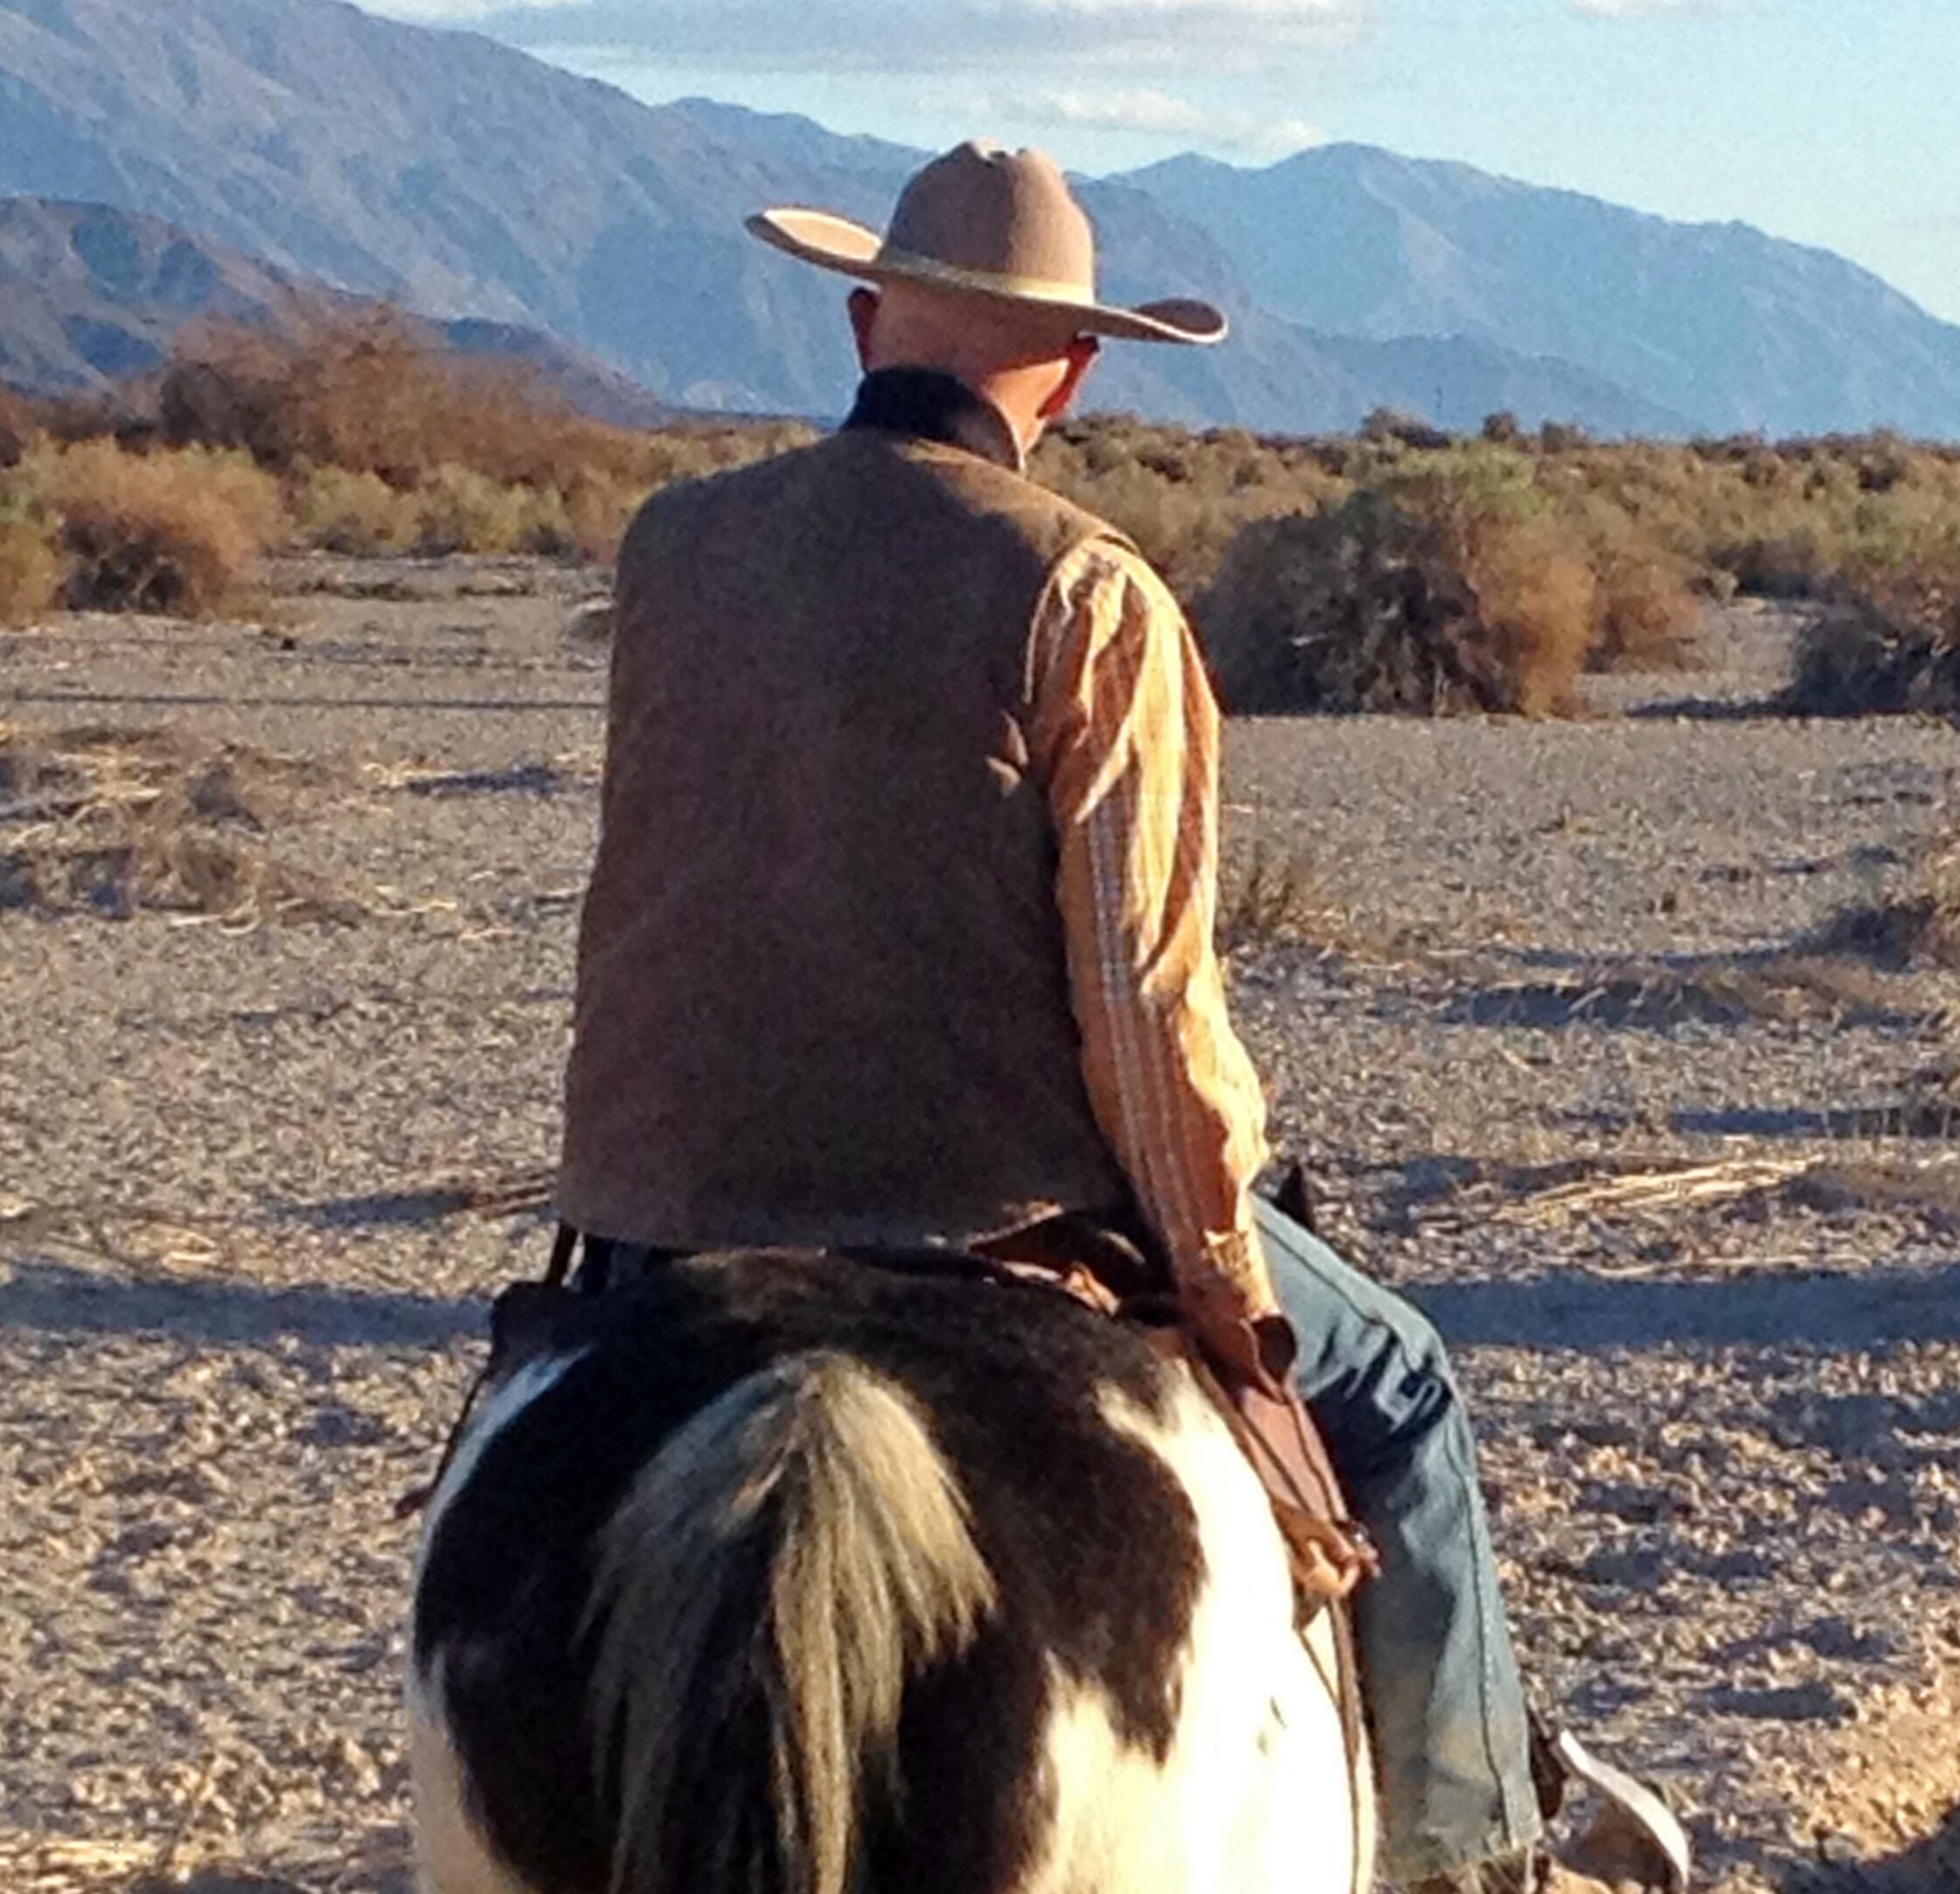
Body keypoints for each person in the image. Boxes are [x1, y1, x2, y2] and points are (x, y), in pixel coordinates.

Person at [550, 142, 1684, 1894]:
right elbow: (1149, 1009)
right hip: (989, 1200)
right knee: (1399, 1387)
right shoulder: (1090, 592)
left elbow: (654, 883)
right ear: (1074, 369)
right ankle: (1476, 1855)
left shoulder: (675, 548)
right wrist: (1225, 1290)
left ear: (863, 323)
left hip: (659, 1212)